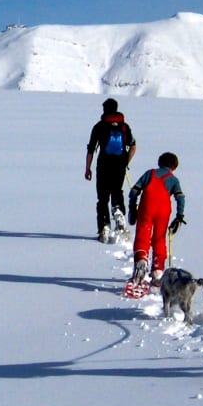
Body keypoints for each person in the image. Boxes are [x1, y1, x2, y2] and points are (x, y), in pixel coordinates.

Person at [127, 152, 186, 286]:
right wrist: (179, 216)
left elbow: (134, 191)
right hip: (163, 210)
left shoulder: (150, 173)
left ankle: (141, 260)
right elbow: (180, 198)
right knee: (159, 238)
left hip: (146, 207)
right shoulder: (173, 180)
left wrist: (132, 207)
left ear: (159, 163)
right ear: (174, 167)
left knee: (143, 235)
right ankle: (158, 271)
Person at [85, 98, 136, 242]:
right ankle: (118, 213)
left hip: (103, 165)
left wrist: (88, 168)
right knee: (117, 191)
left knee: (102, 197)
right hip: (119, 165)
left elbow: (91, 149)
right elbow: (133, 147)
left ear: (104, 109)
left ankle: (104, 227)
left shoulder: (99, 126)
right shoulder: (124, 126)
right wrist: (126, 163)